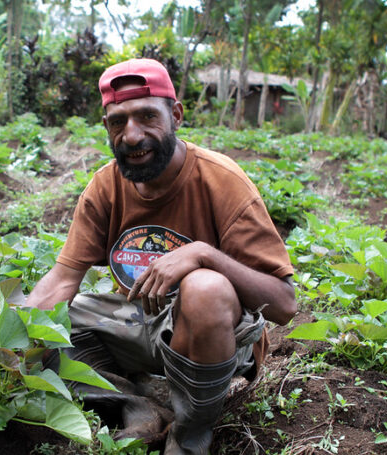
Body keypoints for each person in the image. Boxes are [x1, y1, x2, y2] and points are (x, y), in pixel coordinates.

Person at [26, 58, 297, 454]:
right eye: (118, 122)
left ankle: (189, 436)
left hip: (212, 337)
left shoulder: (222, 181)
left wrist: (204, 255)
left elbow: (286, 304)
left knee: (206, 287)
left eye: (146, 117)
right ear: (106, 128)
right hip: (136, 319)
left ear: (176, 115)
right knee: (34, 322)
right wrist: (1, 351)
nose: (132, 136)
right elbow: (63, 280)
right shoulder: (105, 186)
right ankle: (137, 404)